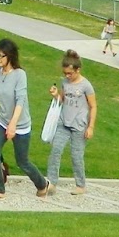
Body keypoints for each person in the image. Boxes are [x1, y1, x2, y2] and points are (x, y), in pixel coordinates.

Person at [0, 39, 50, 200]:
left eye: (1, 56)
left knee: (22, 162)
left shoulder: (20, 75)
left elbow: (20, 100)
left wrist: (13, 125)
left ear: (10, 56)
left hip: (20, 124)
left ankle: (42, 184)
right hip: (1, 120)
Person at [45, 51, 97, 194]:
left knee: (76, 155)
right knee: (55, 150)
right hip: (63, 122)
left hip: (79, 125)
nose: (67, 76)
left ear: (77, 70)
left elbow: (93, 106)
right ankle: (51, 182)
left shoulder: (86, 85)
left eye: (70, 73)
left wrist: (90, 127)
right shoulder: (65, 83)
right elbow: (62, 99)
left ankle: (81, 185)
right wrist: (56, 94)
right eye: (65, 73)